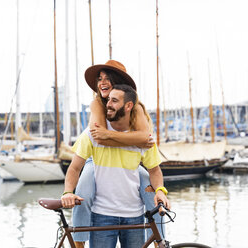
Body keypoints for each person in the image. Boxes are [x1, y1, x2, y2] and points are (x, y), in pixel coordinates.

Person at [61, 84, 170, 248]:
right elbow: (74, 168)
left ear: (128, 106)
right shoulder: (93, 134)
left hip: (134, 217)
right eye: (108, 100)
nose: (108, 104)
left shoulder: (142, 141)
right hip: (102, 216)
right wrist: (68, 192)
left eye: (114, 100)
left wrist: (160, 191)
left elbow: (154, 170)